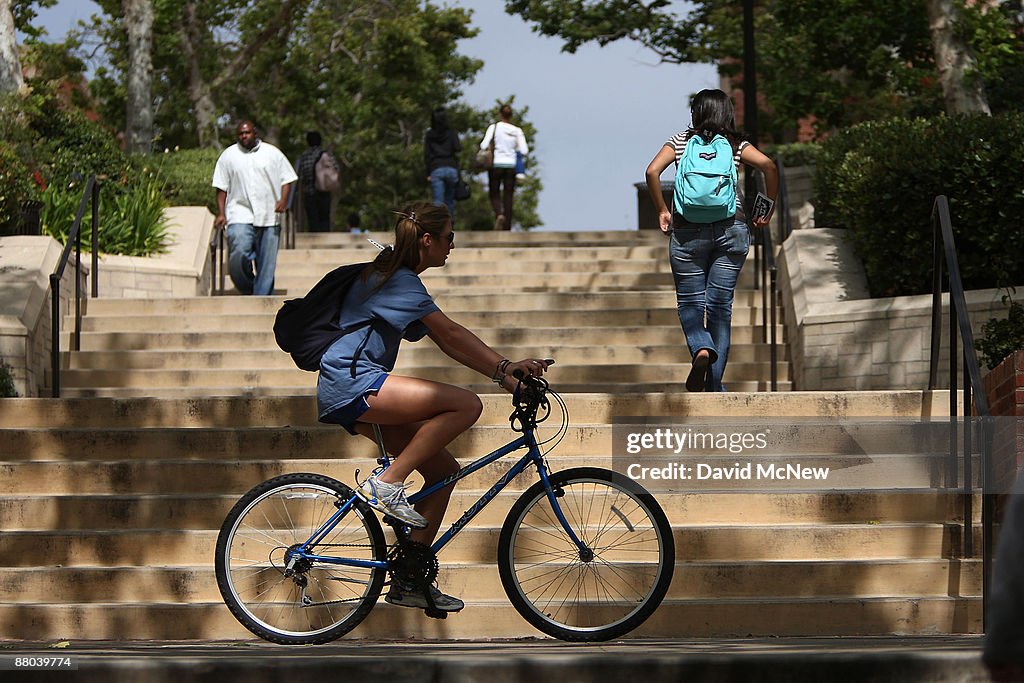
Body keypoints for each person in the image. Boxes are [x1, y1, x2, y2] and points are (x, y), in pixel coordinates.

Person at [316, 201, 551, 612]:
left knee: (444, 472)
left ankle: (409, 579)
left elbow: (446, 342)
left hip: (350, 386)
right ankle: (387, 483)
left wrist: (509, 378)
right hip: (354, 383)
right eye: (448, 238)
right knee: (465, 405)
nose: (452, 245)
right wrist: (504, 366)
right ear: (427, 240)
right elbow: (451, 333)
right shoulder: (398, 281)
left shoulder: (394, 277)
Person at [644, 88, 777, 392]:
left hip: (687, 230)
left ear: (695, 113)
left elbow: (652, 171)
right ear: (727, 113)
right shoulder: (735, 145)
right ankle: (714, 387)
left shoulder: (680, 141)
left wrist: (663, 210)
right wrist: (767, 208)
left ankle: (701, 348)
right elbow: (769, 166)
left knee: (691, 302)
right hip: (732, 230)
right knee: (720, 307)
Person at [212, 120, 297, 295]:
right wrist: (221, 213)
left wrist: (284, 200)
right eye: (241, 134)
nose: (244, 136)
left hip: (269, 215)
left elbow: (287, 179)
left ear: (255, 133)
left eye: (247, 133)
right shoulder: (228, 156)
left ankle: (261, 298)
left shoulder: (272, 153)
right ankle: (248, 286)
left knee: (267, 263)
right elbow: (221, 187)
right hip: (240, 214)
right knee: (239, 249)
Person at [480, 104, 529, 231]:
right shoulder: (517, 131)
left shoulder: (494, 127)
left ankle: (498, 213)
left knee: (494, 193)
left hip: (496, 164)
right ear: (511, 116)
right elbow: (524, 150)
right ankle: (507, 227)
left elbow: (484, 144)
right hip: (511, 165)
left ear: (500, 114)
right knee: (508, 196)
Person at [424, 107, 461, 221]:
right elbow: (458, 148)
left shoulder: (429, 135)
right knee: (450, 201)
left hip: (436, 168)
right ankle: (450, 225)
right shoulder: (452, 132)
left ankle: (438, 226)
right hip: (451, 168)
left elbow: (427, 154)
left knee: (438, 201)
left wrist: (428, 172)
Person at [295, 131, 333, 233]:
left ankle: (314, 239)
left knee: (313, 219)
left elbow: (301, 175)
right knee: (324, 217)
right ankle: (326, 238)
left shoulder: (304, 157)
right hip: (324, 190)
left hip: (310, 192)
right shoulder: (326, 155)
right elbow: (335, 169)